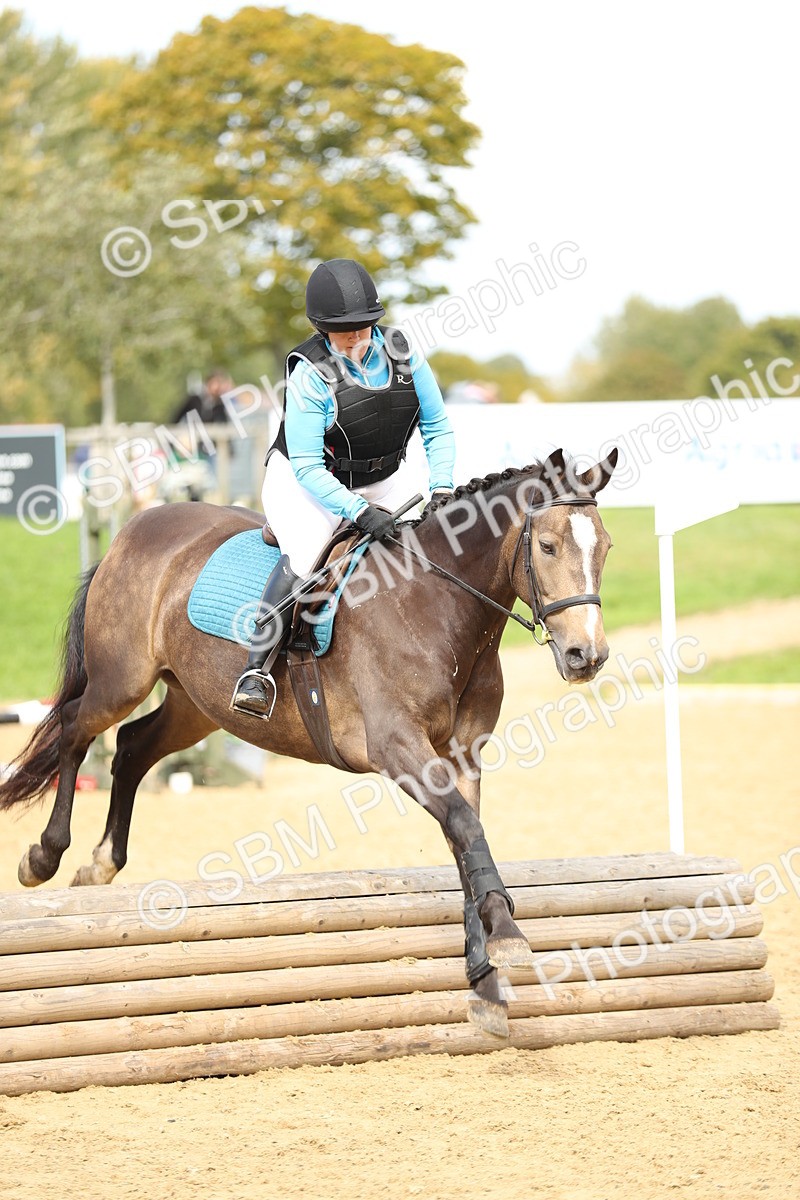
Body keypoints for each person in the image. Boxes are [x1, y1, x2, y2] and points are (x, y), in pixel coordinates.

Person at [232, 258, 456, 716]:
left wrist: (443, 488)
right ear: (321, 329)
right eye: (344, 330)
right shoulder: (309, 376)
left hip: (388, 477)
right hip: (307, 482)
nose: (356, 337)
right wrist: (357, 512)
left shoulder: (405, 355)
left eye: (364, 326)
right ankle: (258, 668)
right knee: (311, 554)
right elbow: (310, 468)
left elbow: (438, 428)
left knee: (433, 546)